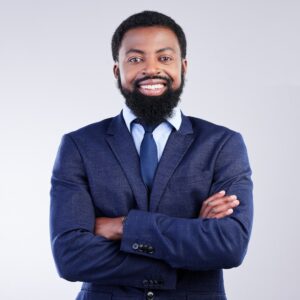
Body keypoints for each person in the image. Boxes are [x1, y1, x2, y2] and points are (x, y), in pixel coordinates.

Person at [50, 10, 253, 300]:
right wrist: (192, 236)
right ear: (117, 70)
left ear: (183, 66)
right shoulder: (79, 146)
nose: (151, 68)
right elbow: (70, 257)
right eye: (135, 59)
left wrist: (123, 226)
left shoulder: (223, 144)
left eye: (165, 57)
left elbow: (229, 246)